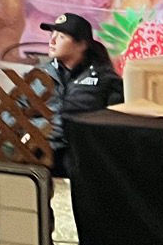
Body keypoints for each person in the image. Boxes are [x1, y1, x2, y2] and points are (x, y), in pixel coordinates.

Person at [36, 14, 123, 177]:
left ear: (82, 45)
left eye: (61, 37)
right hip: (39, 153)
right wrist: (41, 128)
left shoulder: (104, 80)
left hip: (84, 158)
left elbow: (115, 124)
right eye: (52, 35)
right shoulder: (40, 75)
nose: (52, 41)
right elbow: (8, 114)